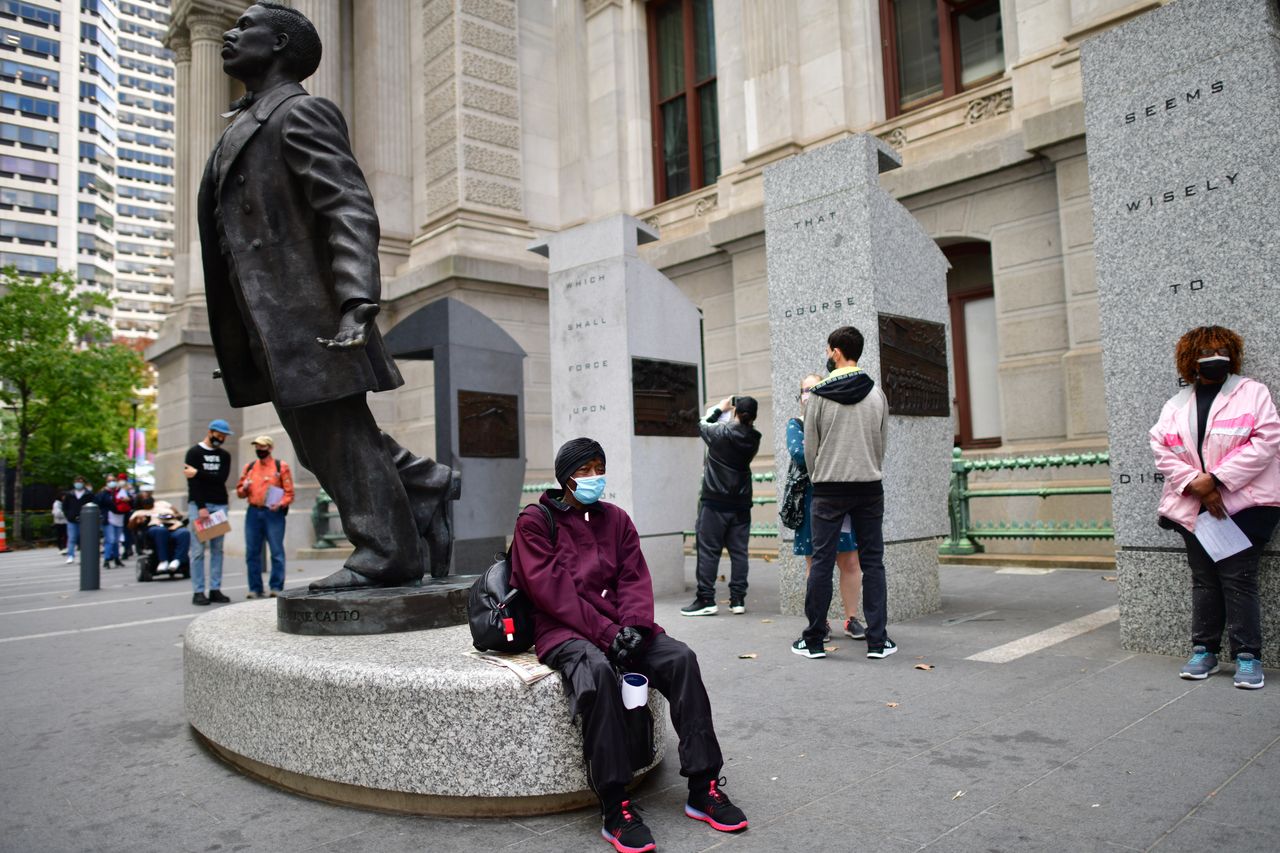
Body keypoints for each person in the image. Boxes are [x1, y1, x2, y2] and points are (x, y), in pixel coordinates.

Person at [198, 3, 456, 591]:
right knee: (320, 443)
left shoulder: (301, 112)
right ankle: (423, 484)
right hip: (267, 319)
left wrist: (356, 294)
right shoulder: (240, 124)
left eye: (247, 28)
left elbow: (347, 203)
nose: (231, 34)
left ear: (282, 42)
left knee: (335, 435)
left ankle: (388, 552)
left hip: (306, 311)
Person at [511, 438, 749, 852]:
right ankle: (615, 804)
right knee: (598, 673)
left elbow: (634, 578)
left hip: (624, 627)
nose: (593, 478)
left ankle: (703, 785)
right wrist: (607, 634)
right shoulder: (535, 521)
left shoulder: (617, 519)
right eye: (584, 470)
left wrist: (635, 627)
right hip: (563, 630)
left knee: (681, 659)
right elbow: (553, 591)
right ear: (565, 476)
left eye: (599, 468)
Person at [1151, 326, 1280, 689]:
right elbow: (1162, 448)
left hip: (1245, 506)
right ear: (1190, 359)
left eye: (1222, 349)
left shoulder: (1251, 392)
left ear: (1233, 354)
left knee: (1239, 579)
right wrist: (1200, 487)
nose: (1215, 356)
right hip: (1195, 506)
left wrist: (1217, 481)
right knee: (1204, 580)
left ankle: (1248, 656)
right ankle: (1203, 650)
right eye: (1207, 351)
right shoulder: (1176, 405)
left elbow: (1267, 440)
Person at [794, 325, 892, 660]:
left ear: (836, 352)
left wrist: (819, 476)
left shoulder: (819, 395)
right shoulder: (877, 394)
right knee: (872, 562)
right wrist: (867, 468)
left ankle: (815, 640)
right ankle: (878, 641)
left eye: (828, 350)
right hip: (868, 485)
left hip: (828, 488)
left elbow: (811, 447)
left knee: (821, 561)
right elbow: (881, 444)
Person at [787, 373, 864, 641]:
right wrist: (831, 454)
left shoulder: (836, 420)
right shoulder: (796, 423)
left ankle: (852, 618)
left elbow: (847, 450)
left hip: (841, 497)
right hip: (811, 500)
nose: (808, 394)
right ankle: (820, 621)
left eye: (813, 388)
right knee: (816, 564)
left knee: (850, 560)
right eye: (804, 390)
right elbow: (799, 454)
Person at [683, 396, 762, 617]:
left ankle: (706, 599)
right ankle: (737, 600)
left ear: (736, 412)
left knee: (708, 551)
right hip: (741, 504)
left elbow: (701, 423)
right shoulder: (755, 438)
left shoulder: (720, 433)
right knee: (739, 553)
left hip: (715, 502)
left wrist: (720, 407)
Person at [236, 435, 295, 598]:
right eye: (257, 447)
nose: (259, 450)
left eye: (262, 447)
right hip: (253, 512)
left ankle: (276, 586)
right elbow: (239, 492)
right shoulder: (249, 467)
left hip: (273, 513)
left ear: (270, 448)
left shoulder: (280, 466)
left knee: (276, 551)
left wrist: (281, 503)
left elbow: (290, 493)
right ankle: (255, 588)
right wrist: (244, 488)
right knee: (252, 552)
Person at [185, 419, 234, 606]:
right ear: (210, 432)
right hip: (200, 507)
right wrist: (201, 507)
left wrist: (197, 473)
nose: (221, 438)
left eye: (224, 436)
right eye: (219, 434)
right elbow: (193, 485)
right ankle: (198, 591)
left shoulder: (225, 455)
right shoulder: (194, 453)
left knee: (217, 550)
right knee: (197, 551)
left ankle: (215, 589)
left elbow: (221, 478)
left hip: (220, 505)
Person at [128, 500, 190, 572]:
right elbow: (131, 526)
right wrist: (139, 520)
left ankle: (177, 560)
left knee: (184, 532)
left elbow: (178, 514)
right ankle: (163, 560)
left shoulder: (162, 504)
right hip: (155, 528)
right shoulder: (139, 512)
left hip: (173, 526)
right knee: (161, 531)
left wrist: (174, 515)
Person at [95, 475, 128, 570]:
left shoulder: (121, 491)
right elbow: (98, 502)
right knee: (110, 540)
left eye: (113, 480)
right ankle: (107, 559)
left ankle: (117, 558)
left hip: (119, 518)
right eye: (109, 481)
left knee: (116, 541)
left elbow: (130, 502)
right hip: (108, 518)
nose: (112, 482)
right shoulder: (103, 493)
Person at [60, 477, 94, 564]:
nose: (78, 483)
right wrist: (68, 515)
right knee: (72, 538)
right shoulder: (69, 494)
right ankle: (70, 555)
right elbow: (64, 507)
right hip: (72, 519)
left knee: (83, 538)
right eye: (77, 482)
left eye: (80, 482)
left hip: (85, 520)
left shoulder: (88, 494)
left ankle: (84, 556)